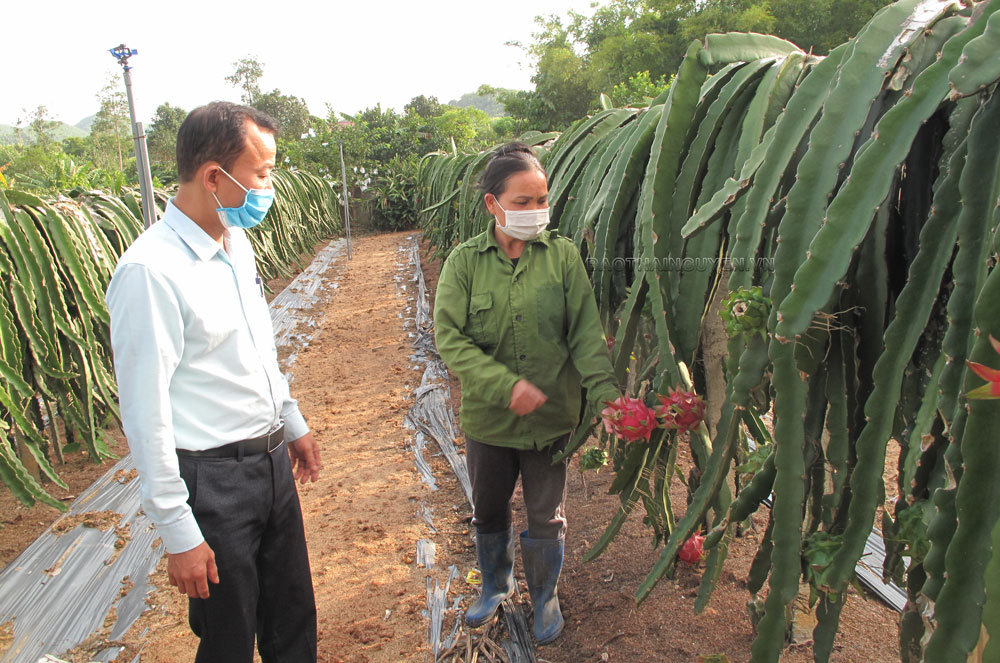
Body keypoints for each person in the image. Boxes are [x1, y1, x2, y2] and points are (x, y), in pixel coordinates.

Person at [106, 101, 322, 662]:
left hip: (271, 465)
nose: (268, 186)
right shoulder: (150, 273)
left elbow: (257, 347)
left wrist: (290, 421)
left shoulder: (235, 244)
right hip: (214, 483)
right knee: (229, 637)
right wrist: (179, 529)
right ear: (214, 177)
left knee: (293, 620)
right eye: (263, 173)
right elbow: (145, 412)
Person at [433, 142, 621, 644]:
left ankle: (545, 597)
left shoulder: (561, 257)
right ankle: (494, 585)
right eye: (522, 202)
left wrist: (604, 396)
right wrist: (504, 385)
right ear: (493, 204)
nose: (536, 211)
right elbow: (450, 337)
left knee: (545, 513)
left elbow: (584, 331)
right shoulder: (464, 263)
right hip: (490, 421)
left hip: (550, 419)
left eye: (542, 200)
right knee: (489, 508)